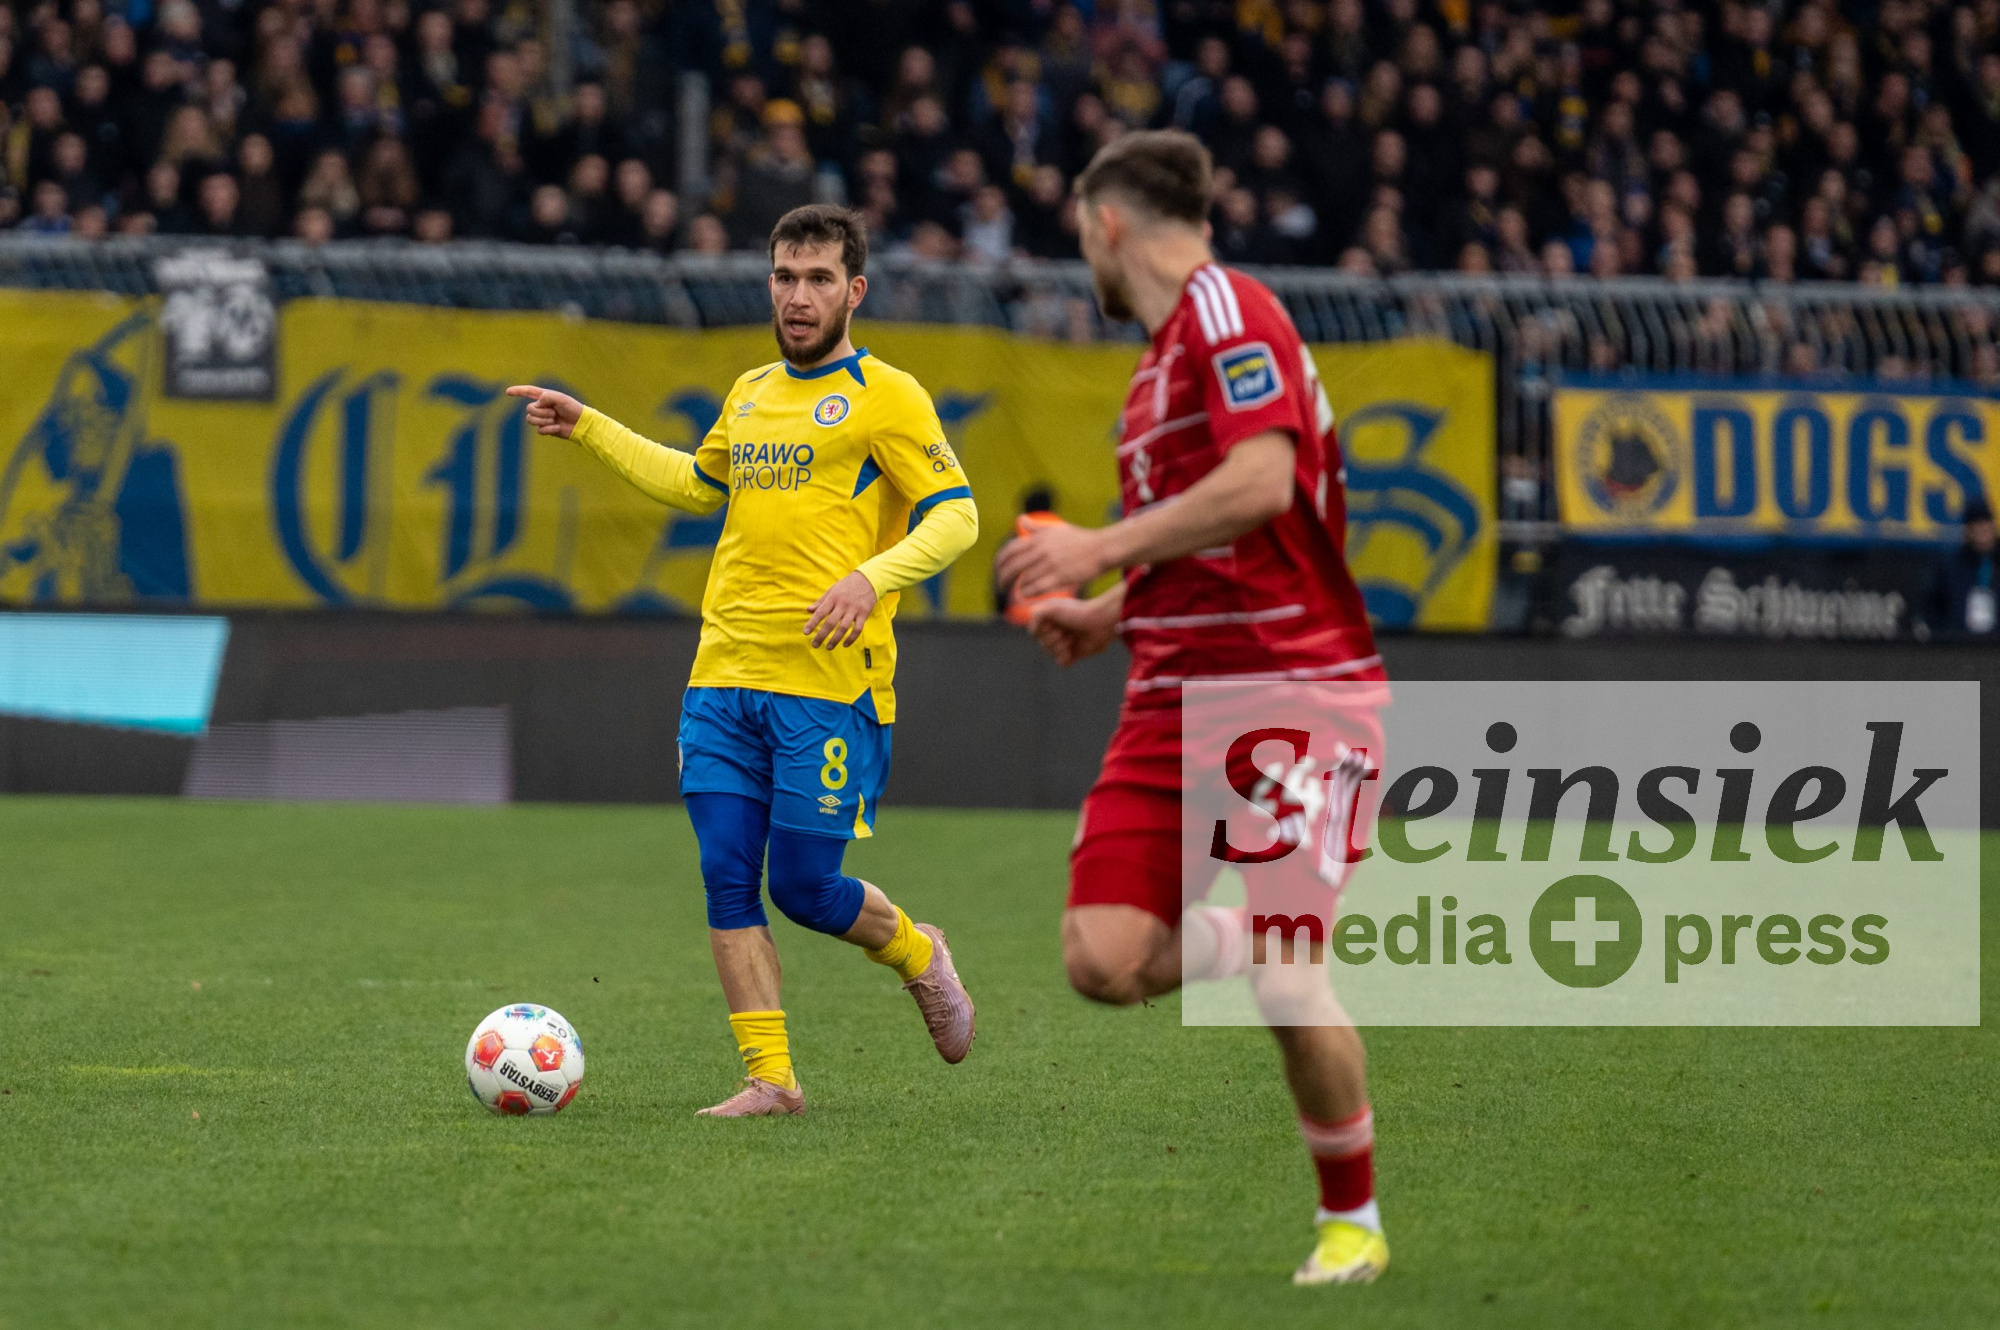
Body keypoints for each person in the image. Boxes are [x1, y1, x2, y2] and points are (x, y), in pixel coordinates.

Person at [996, 130, 1389, 1285]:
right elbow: (1214, 540)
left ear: (1107, 222)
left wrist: (1096, 546)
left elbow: (1260, 482)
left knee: (1286, 984)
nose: (1084, 261)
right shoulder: (1159, 364)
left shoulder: (1226, 311)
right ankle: (1273, 930)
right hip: (1170, 699)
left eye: (1080, 236)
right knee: (1101, 958)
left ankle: (1352, 1223)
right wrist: (1107, 610)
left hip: (1292, 691)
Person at [506, 205, 979, 1116]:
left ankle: (921, 954)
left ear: (854, 291)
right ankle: (771, 1079)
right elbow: (697, 484)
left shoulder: (887, 395)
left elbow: (956, 514)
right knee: (726, 872)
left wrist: (870, 579)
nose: (798, 297)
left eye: (818, 279)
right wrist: (589, 425)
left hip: (824, 684)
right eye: (785, 277)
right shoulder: (752, 390)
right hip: (722, 675)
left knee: (805, 888)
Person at [1927, 495, 1997, 640]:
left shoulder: (1995, 564)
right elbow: (1932, 606)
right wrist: (1947, 635)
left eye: (1986, 523)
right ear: (1968, 530)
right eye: (1976, 525)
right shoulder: (1951, 566)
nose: (1982, 530)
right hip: (1960, 644)